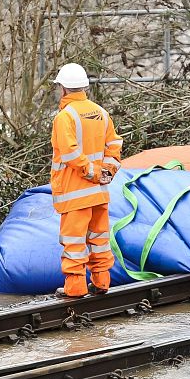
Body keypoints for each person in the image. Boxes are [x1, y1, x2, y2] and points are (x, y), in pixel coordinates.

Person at [50, 63, 123, 298]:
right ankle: (102, 282)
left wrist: (91, 172)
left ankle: (75, 287)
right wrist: (107, 171)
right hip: (99, 192)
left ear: (62, 89)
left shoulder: (65, 117)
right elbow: (114, 145)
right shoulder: (101, 112)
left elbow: (70, 153)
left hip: (75, 192)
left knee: (74, 241)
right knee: (99, 238)